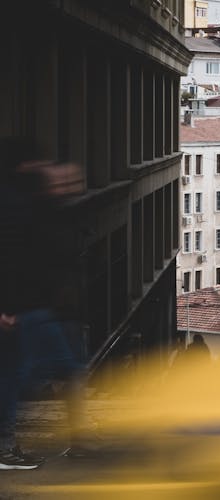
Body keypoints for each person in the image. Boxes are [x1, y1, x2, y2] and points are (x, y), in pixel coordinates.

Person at [0, 137, 86, 470]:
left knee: (21, 373)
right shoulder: (14, 203)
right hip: (24, 307)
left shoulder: (26, 200)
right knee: (21, 374)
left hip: (32, 305)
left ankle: (10, 444)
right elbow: (11, 257)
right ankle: (7, 447)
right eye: (36, 163)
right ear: (23, 166)